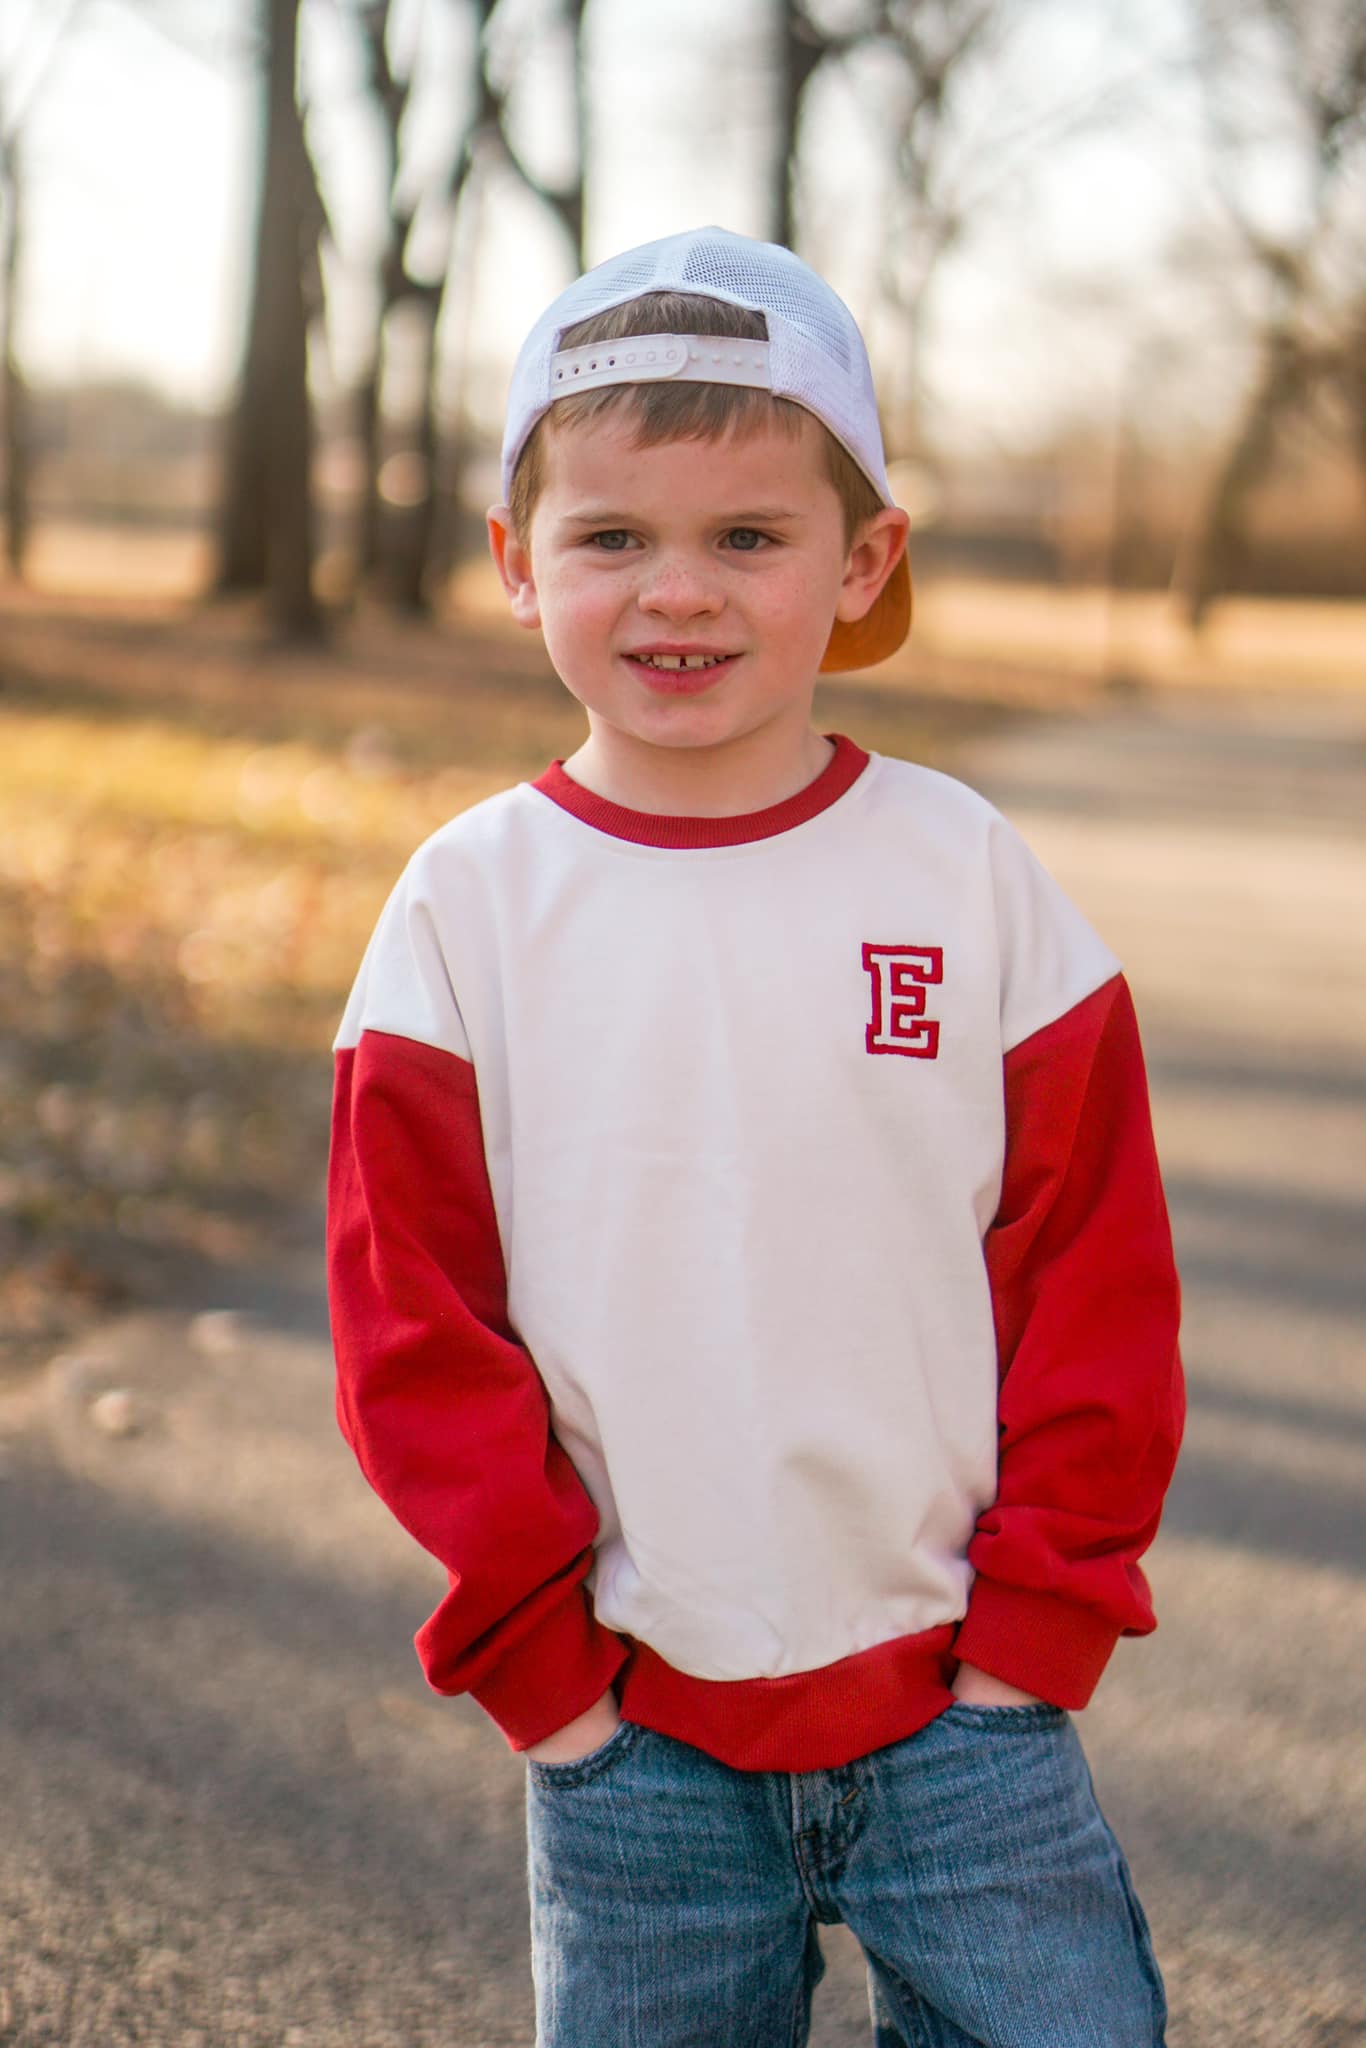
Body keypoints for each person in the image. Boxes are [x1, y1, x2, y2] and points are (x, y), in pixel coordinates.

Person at [326, 225, 1184, 2048]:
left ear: (861, 558)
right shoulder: (468, 908)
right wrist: (544, 1674)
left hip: (971, 1716)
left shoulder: (960, 876)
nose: (677, 594)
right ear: (514, 562)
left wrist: (1035, 1638)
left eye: (746, 537)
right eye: (611, 538)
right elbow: (411, 1322)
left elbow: (1090, 1267)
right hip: (631, 1733)